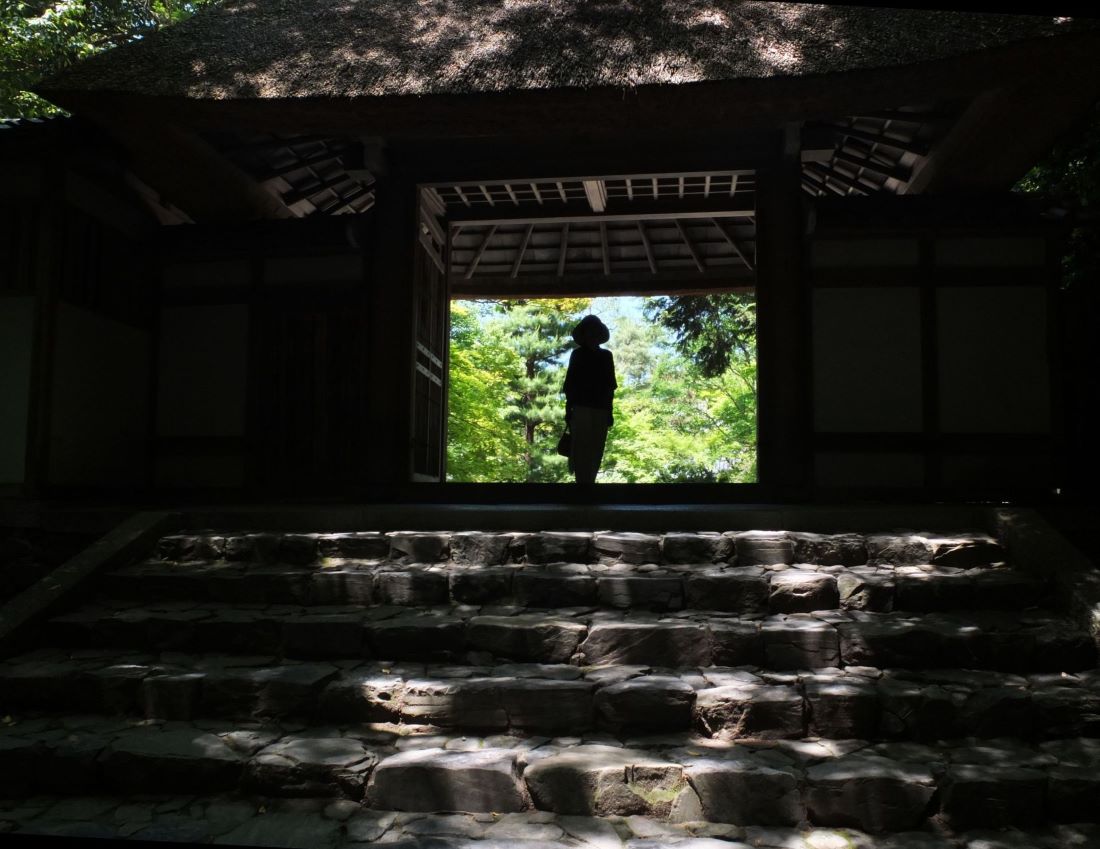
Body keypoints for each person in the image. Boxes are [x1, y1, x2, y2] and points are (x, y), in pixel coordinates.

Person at [562, 314, 617, 484]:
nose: (592, 334)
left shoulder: (606, 356)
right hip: (582, 408)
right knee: (581, 449)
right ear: (585, 334)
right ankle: (583, 486)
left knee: (595, 449)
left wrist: (609, 411)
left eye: (594, 331)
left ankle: (588, 485)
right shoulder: (578, 355)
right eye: (589, 331)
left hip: (599, 409)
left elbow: (610, 387)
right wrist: (569, 410)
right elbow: (570, 386)